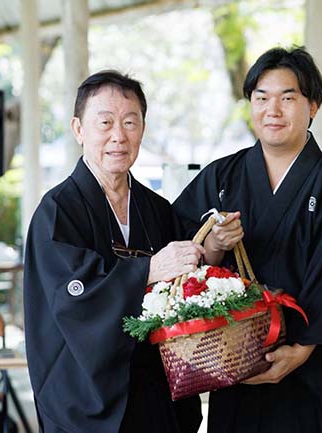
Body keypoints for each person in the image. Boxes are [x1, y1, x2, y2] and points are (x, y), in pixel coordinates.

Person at [173, 47, 322, 433]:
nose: (273, 110)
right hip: (237, 375)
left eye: (287, 98)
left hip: (314, 381)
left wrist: (302, 350)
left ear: (313, 106)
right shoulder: (222, 178)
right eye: (261, 98)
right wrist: (216, 245)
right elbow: (175, 254)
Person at [24, 71, 203, 433]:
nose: (118, 136)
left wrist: (210, 244)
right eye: (104, 122)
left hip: (152, 388)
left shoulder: (156, 208)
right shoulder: (57, 211)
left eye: (129, 122)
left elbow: (186, 279)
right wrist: (148, 271)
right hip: (85, 391)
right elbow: (75, 297)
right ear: (79, 130)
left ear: (142, 129)